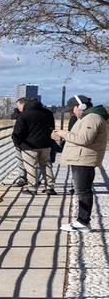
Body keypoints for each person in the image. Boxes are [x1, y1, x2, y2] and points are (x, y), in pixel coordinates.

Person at [52, 94, 108, 233]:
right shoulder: (87, 117)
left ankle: (83, 222)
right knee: (82, 191)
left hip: (84, 160)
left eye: (72, 109)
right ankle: (81, 221)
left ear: (81, 106)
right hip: (81, 158)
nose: (72, 113)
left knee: (83, 191)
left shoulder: (92, 118)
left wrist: (63, 133)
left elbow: (84, 139)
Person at [12, 97, 56, 194]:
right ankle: (50, 187)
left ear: (24, 104)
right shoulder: (48, 113)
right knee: (46, 165)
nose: (18, 108)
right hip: (46, 144)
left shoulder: (23, 115)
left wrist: (18, 143)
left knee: (31, 167)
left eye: (18, 106)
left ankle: (32, 188)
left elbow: (17, 132)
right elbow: (52, 127)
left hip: (29, 146)